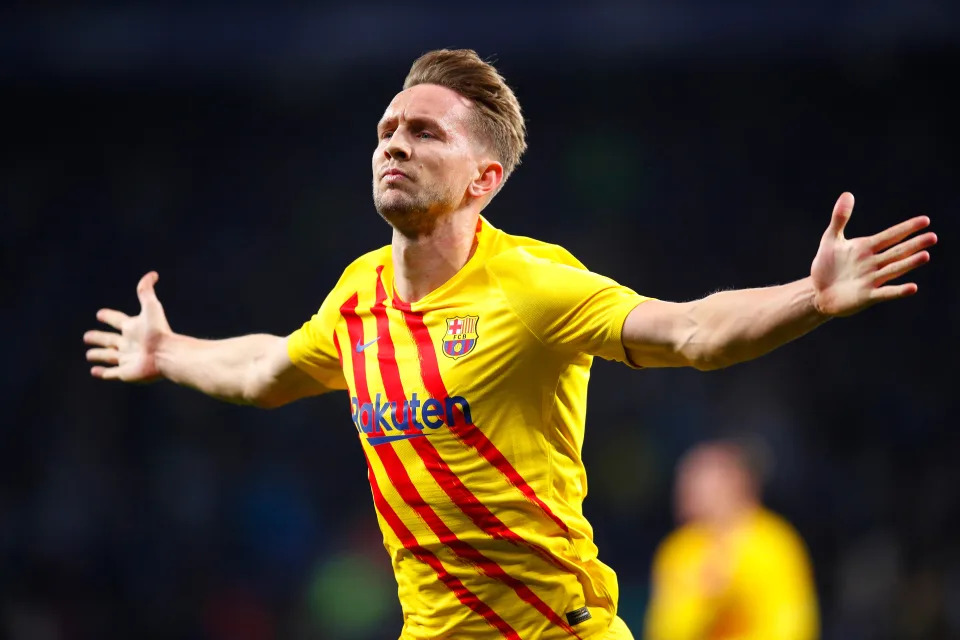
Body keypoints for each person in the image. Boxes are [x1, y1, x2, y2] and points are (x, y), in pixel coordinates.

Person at [82, 48, 936, 640]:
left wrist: (809, 297)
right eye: (387, 130)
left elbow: (691, 329)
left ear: (483, 180)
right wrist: (170, 353)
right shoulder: (357, 298)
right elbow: (268, 369)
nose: (394, 143)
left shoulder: (533, 285)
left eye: (425, 133)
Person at [643, 440, 819, 640]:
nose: (685, 487)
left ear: (736, 482)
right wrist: (707, 599)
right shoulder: (680, 551)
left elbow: (794, 629)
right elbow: (664, 631)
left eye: (699, 478)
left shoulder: (773, 544)